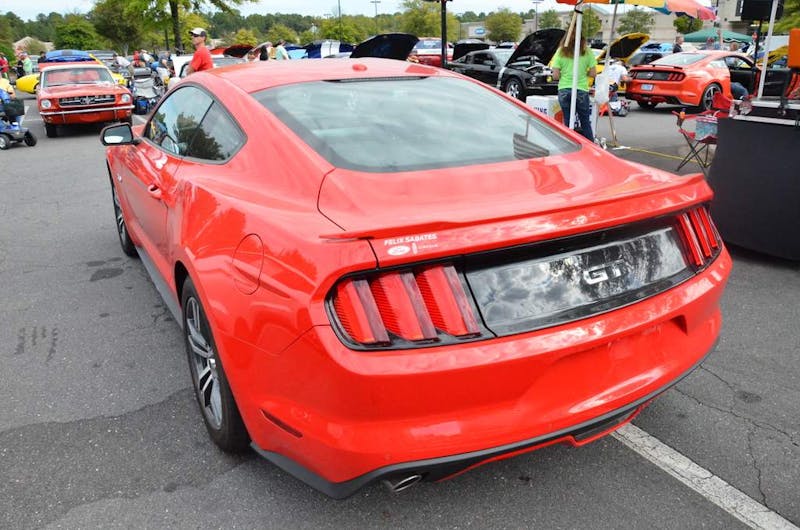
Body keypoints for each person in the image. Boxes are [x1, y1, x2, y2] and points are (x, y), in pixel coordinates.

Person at [551, 30, 597, 142]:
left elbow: (555, 76)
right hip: (581, 89)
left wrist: (565, 74)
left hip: (564, 89)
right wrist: (582, 73)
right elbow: (593, 73)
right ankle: (591, 147)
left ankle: (569, 146)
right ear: (582, 40)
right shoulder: (587, 52)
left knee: (568, 120)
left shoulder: (560, 52)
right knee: (585, 121)